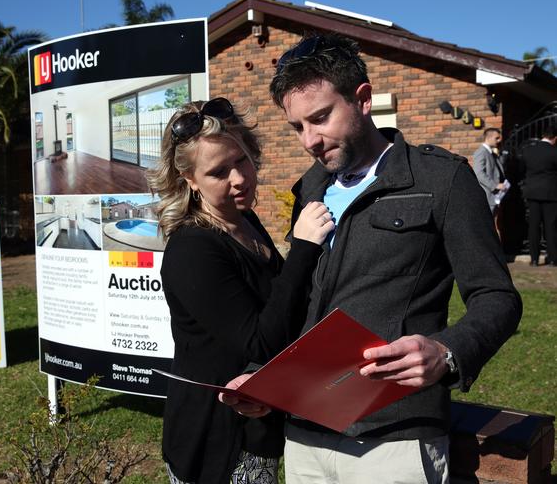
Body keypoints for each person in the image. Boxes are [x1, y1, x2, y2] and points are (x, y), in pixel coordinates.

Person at [222, 34, 522, 483]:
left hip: (393, 436)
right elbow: (298, 300)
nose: (309, 141)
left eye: (320, 118)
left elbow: (497, 296)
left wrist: (446, 351)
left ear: (362, 100)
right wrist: (259, 375)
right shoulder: (310, 188)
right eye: (297, 127)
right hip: (304, 433)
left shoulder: (441, 179)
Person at [147, 97, 335, 484]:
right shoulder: (194, 248)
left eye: (241, 161)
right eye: (218, 172)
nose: (238, 178)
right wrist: (303, 248)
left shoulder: (244, 220)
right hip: (216, 443)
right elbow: (261, 342)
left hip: (258, 427)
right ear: (190, 181)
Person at [518, 125, 557, 266]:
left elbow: (521, 170)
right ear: (554, 138)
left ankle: (534, 259)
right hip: (551, 193)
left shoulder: (528, 150)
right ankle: (552, 258)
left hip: (532, 192)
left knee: (533, 226)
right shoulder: (554, 151)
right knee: (550, 227)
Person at [473, 127, 508, 215]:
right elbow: (479, 173)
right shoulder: (481, 152)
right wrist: (495, 185)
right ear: (488, 138)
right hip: (487, 194)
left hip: (494, 196)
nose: (499, 140)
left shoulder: (491, 152)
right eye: (496, 138)